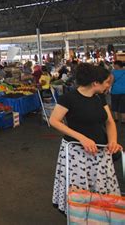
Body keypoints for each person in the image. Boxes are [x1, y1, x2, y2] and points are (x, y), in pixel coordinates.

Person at [50, 63, 121, 214]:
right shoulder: (68, 98)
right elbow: (54, 120)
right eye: (106, 82)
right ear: (95, 83)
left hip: (101, 151)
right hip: (77, 154)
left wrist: (113, 140)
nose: (108, 86)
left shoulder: (99, 97)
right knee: (80, 193)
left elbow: (109, 122)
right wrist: (81, 138)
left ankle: (99, 217)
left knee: (102, 189)